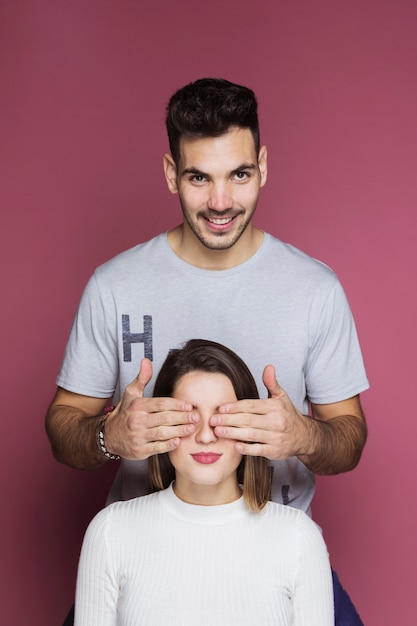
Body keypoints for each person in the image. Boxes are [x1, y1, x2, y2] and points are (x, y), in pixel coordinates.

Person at [46, 78, 369, 625]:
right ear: (172, 174)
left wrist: (303, 434)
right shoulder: (115, 286)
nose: (220, 202)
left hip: (273, 557)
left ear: (262, 166)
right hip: (145, 555)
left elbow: (350, 438)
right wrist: (109, 434)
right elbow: (62, 428)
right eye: (199, 177)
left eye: (239, 174)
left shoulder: (315, 290)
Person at [74, 339, 334, 626]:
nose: (206, 437)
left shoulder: (298, 538)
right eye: (190, 416)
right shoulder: (111, 532)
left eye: (222, 416)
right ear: (158, 422)